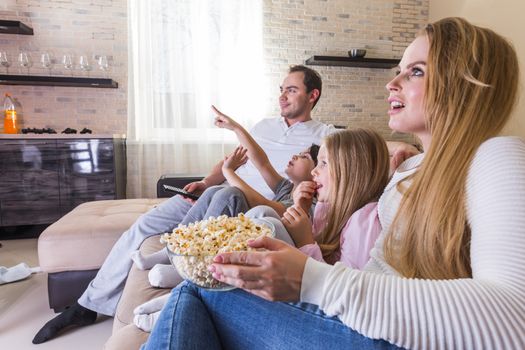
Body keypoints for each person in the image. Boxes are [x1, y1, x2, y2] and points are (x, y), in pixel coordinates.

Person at [143, 17, 525, 350]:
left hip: (393, 338)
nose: (392, 83)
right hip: (368, 324)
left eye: (416, 72)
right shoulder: (416, 171)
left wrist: (311, 279)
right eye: (399, 69)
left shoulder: (497, 155)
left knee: (201, 288)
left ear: (467, 85)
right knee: (203, 287)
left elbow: (514, 317)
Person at [32, 64, 336, 344]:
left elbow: (327, 180)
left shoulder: (324, 137)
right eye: (281, 89)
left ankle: (179, 261)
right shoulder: (264, 125)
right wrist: (205, 182)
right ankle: (88, 304)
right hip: (219, 190)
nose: (282, 96)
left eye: (291, 90)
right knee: (146, 226)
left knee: (224, 199)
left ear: (313, 95)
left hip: (248, 206)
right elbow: (233, 160)